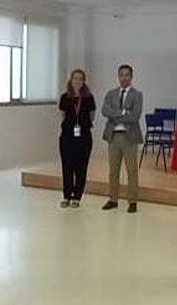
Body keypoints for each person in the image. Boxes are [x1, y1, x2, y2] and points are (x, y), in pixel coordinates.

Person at [100, 63, 143, 213]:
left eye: (127, 75)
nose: (124, 78)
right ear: (118, 77)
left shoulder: (137, 95)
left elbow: (135, 116)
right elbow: (105, 110)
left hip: (129, 137)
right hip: (113, 137)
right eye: (121, 75)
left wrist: (115, 115)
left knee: (132, 171)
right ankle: (113, 199)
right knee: (113, 170)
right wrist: (123, 112)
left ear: (131, 77)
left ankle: (132, 201)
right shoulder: (111, 94)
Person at [56, 68, 96, 208]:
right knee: (67, 167)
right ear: (71, 80)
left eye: (80, 78)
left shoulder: (89, 98)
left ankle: (77, 196)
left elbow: (92, 116)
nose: (77, 81)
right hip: (67, 136)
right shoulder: (64, 97)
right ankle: (66, 196)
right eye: (75, 78)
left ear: (84, 81)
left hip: (84, 136)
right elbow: (63, 115)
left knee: (81, 167)